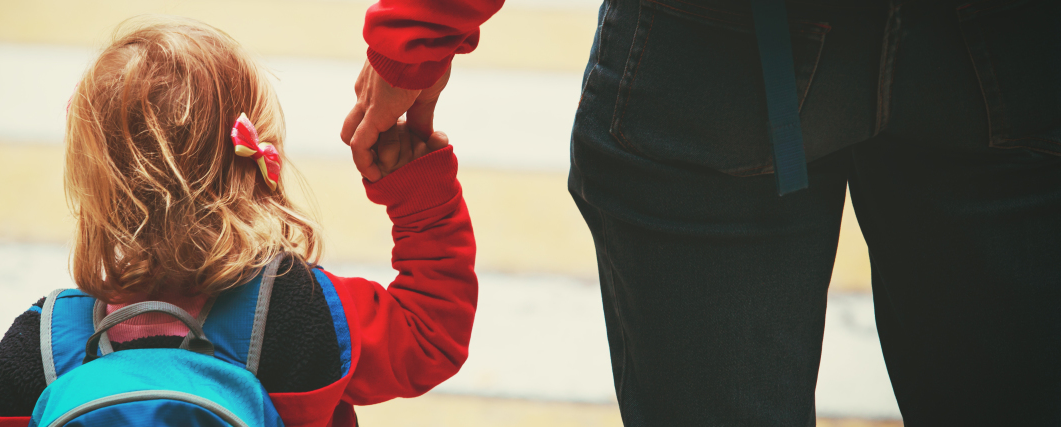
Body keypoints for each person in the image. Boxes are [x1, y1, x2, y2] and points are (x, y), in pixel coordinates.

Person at [343, 0, 1061, 425]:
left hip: (720, 52)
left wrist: (419, 32)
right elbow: (424, 330)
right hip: (1003, 49)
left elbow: (416, 336)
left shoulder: (273, 317)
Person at [0, 17, 477, 427]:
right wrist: (420, 196)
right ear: (254, 157)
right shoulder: (297, 313)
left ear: (95, 182)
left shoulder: (41, 349)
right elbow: (431, 333)